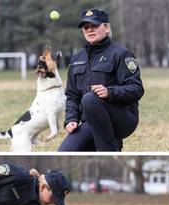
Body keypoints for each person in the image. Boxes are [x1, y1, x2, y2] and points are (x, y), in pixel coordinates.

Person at [58, 8, 144, 151]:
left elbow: (136, 89)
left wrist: (109, 92)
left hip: (123, 118)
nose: (90, 30)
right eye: (86, 27)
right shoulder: (76, 59)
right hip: (90, 121)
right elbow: (72, 96)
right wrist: (71, 119)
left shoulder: (121, 53)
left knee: (90, 99)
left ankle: (108, 149)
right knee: (64, 152)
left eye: (95, 26)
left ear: (107, 27)